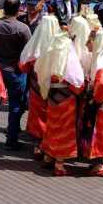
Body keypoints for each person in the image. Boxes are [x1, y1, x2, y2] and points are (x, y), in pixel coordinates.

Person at [0, 0, 31, 149]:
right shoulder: (23, 28)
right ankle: (11, 141)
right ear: (19, 10)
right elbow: (29, 53)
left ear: (3, 8)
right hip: (16, 71)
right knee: (15, 106)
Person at [36, 31, 86, 176]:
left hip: (52, 97)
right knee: (64, 131)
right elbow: (77, 84)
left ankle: (47, 157)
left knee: (51, 127)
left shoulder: (49, 57)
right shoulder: (69, 60)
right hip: (66, 99)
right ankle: (59, 165)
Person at [19, 16, 59, 159]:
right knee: (53, 113)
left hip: (36, 85)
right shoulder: (61, 44)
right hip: (56, 87)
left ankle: (37, 145)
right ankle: (50, 145)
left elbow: (23, 65)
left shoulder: (35, 44)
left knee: (37, 113)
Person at [79, 30, 103, 176]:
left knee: (99, 132)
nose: (86, 44)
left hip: (102, 102)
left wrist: (95, 100)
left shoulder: (102, 62)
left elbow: (101, 83)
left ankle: (99, 165)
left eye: (89, 41)